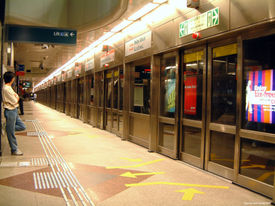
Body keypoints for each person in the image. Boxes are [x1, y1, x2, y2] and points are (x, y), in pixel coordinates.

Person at [2, 71, 26, 155]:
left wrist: (16, 98)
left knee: (22, 126)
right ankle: (14, 149)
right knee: (11, 132)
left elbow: (16, 97)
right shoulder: (6, 89)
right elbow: (15, 100)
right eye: (13, 78)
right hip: (10, 111)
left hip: (14, 110)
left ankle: (5, 127)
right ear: (11, 79)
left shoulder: (9, 87)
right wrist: (17, 99)